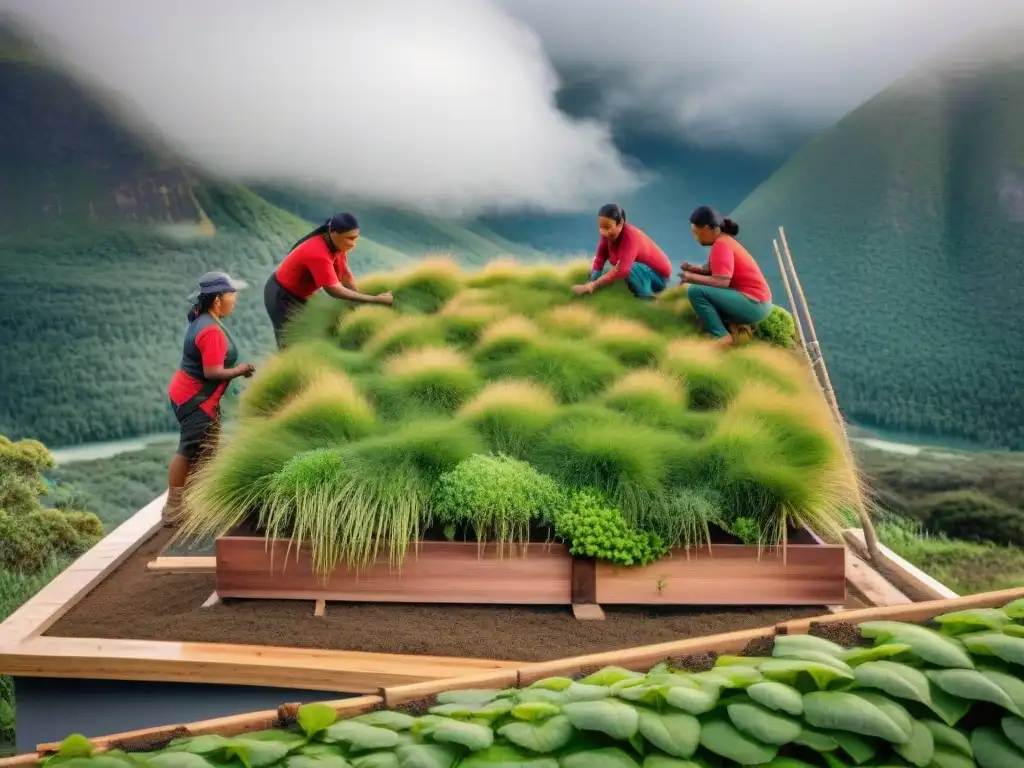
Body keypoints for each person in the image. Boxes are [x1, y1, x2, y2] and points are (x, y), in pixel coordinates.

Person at [164, 271, 256, 524]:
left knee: (206, 449)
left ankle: (197, 502)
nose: (234, 299)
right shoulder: (211, 330)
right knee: (189, 448)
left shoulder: (204, 319)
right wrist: (241, 370)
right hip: (195, 400)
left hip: (191, 395)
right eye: (231, 295)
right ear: (217, 299)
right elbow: (212, 372)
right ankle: (173, 509)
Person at [264, 212, 394, 348]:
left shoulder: (337, 246)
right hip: (281, 295)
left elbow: (345, 275)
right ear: (333, 232)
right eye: (350, 238)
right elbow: (334, 290)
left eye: (356, 238)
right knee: (290, 343)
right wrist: (374, 300)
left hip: (300, 296)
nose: (354, 244)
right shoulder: (318, 253)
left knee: (310, 336)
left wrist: (359, 302)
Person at [681, 205, 773, 347]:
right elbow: (713, 270)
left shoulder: (721, 245)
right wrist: (694, 269)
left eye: (697, 233)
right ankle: (731, 327)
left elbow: (721, 281)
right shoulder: (725, 241)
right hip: (757, 302)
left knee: (695, 291)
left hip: (754, 305)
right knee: (702, 290)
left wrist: (690, 277)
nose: (696, 238)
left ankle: (722, 337)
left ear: (707, 228)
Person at [572, 204, 673, 299]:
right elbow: (600, 257)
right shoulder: (607, 234)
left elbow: (622, 270)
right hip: (639, 271)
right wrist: (591, 281)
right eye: (601, 227)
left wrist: (593, 286)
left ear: (620, 224)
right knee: (594, 263)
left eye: (607, 227)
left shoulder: (630, 237)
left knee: (628, 268)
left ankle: (647, 298)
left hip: (658, 277)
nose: (603, 232)